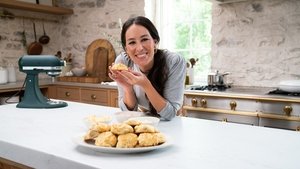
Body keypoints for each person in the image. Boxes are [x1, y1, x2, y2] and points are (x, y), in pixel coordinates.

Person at [109, 16, 186, 121]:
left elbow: (170, 114)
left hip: (170, 124)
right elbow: (128, 113)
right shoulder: (123, 62)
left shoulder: (174, 62)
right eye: (132, 42)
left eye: (144, 39)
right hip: (145, 122)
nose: (140, 48)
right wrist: (127, 88)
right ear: (126, 49)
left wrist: (145, 84)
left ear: (155, 42)